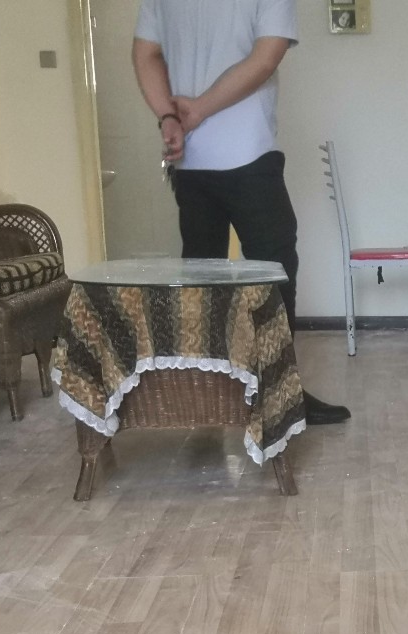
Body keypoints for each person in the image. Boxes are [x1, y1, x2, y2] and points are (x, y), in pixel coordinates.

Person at [133, 0, 349, 423]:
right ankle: (278, 396)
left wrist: (168, 117)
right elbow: (266, 58)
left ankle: (206, 397)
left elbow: (145, 52)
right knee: (273, 273)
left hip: (190, 161)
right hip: (248, 153)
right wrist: (197, 109)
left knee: (202, 279)